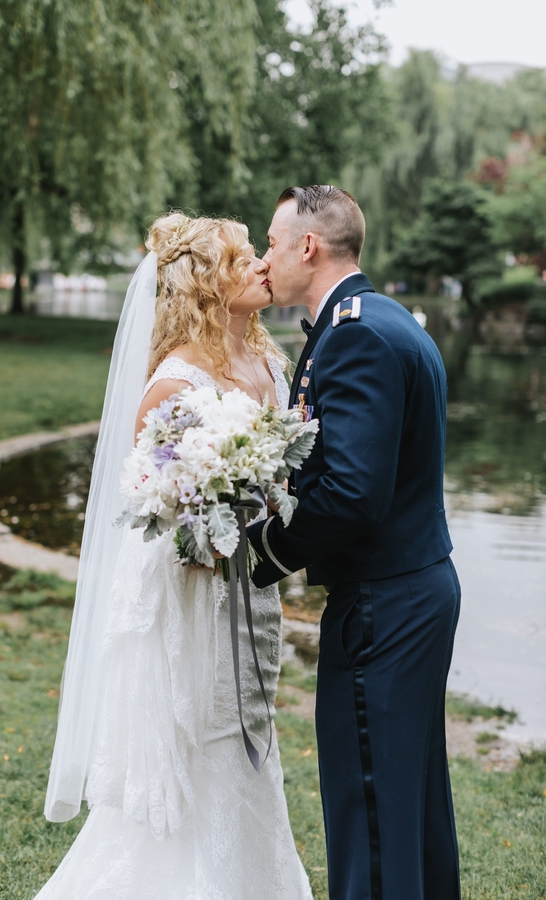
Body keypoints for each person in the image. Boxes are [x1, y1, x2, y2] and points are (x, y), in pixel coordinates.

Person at [35, 213, 313, 900]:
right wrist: (213, 518)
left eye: (256, 253)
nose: (257, 265)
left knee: (253, 736)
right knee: (209, 742)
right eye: (240, 258)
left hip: (256, 591)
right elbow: (149, 507)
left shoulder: (272, 364)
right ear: (206, 285)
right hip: (195, 604)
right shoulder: (176, 384)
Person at [248, 185, 461, 900]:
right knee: (408, 800)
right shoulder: (379, 319)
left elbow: (353, 491)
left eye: (273, 243)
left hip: (384, 599)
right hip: (410, 584)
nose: (265, 258)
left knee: (368, 801)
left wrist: (264, 550)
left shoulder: (357, 335)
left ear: (308, 246)